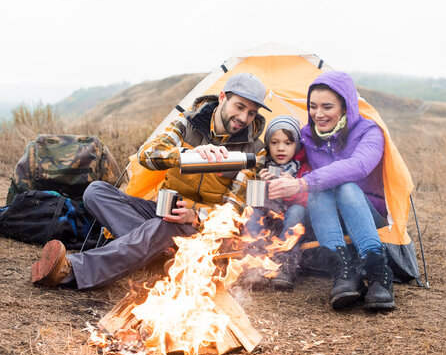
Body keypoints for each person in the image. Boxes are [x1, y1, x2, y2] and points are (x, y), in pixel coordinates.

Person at [30, 73, 270, 290]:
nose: (243, 118)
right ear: (222, 98)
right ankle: (162, 257)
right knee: (95, 191)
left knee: (164, 225)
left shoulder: (254, 150)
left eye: (251, 113)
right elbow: (147, 155)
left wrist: (196, 215)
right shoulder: (187, 123)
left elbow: (234, 209)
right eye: (239, 107)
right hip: (162, 209)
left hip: (199, 228)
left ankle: (71, 270)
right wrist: (187, 155)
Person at [267, 71, 395, 311]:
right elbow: (283, 152)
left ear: (346, 107)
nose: (318, 114)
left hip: (368, 217)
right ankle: (343, 271)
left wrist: (304, 182)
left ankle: (379, 274)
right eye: (313, 106)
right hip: (328, 221)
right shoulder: (308, 136)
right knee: (317, 191)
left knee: (344, 187)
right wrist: (274, 173)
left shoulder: (369, 132)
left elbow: (358, 166)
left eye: (327, 107)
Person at [244, 114, 309, 290]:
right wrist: (262, 183)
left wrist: (292, 186)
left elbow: (306, 202)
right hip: (267, 224)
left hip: (291, 225)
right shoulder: (261, 164)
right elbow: (252, 201)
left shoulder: (303, 168)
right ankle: (254, 264)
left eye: (288, 143)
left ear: (297, 145)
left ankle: (284, 265)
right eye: (274, 142)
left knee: (297, 210)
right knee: (253, 212)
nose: (281, 148)